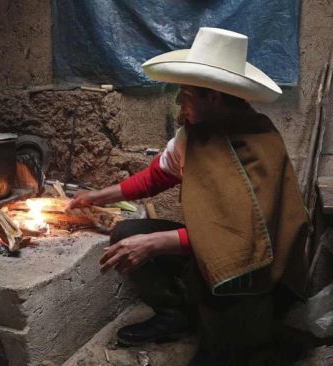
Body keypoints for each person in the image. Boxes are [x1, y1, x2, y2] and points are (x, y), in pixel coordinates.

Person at [68, 27, 308, 365]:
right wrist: (97, 197)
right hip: (217, 250)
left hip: (252, 269)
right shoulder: (192, 134)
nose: (181, 103)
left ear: (214, 97)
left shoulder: (260, 142)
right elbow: (156, 176)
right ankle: (177, 315)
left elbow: (243, 239)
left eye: (187, 95)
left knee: (228, 356)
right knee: (127, 234)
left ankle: (248, 331)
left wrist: (156, 243)